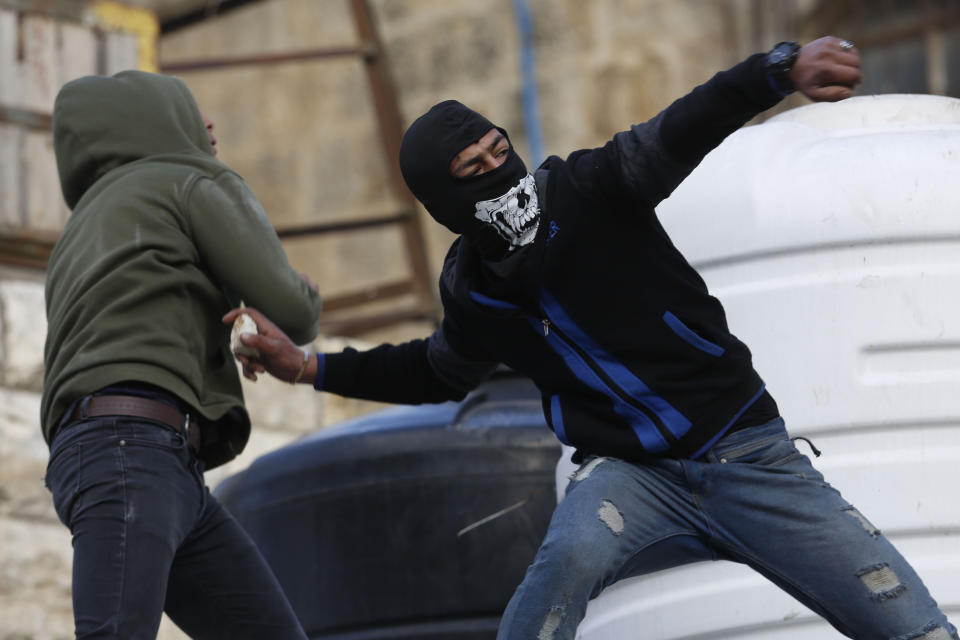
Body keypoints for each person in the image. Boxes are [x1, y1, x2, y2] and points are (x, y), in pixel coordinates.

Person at [225, 37, 957, 640]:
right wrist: (310, 367)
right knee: (552, 584)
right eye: (473, 172)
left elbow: (687, 122)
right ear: (447, 205)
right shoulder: (475, 290)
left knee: (910, 625)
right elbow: (438, 371)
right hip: (631, 476)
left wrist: (779, 70)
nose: (498, 174)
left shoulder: (594, 190)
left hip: (748, 456)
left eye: (498, 151)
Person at [42, 70, 322, 639]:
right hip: (133, 448)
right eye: (192, 112)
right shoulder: (187, 180)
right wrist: (301, 291)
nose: (210, 124)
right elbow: (294, 311)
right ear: (152, 122)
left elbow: (137, 318)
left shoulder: (81, 229)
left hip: (130, 456)